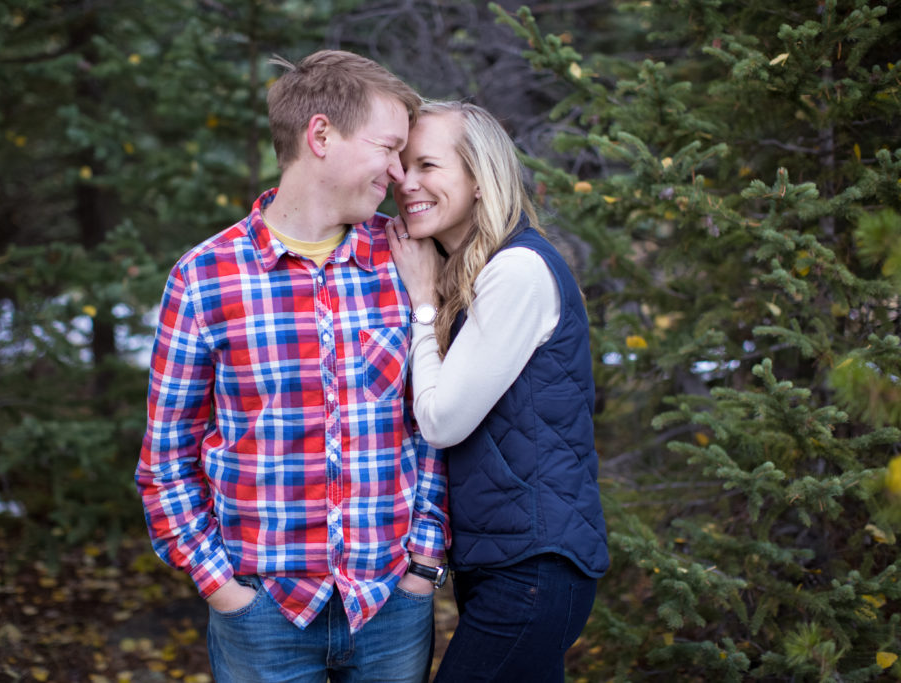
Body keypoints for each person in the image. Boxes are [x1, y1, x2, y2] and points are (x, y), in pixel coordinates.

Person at [135, 50, 450, 683]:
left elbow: (434, 429)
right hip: (262, 615)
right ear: (321, 135)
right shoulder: (205, 278)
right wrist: (221, 587)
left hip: (390, 605)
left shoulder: (409, 263)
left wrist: (423, 566)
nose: (399, 171)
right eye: (388, 148)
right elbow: (166, 459)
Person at [386, 101, 609, 682]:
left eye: (428, 165)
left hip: (532, 569)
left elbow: (440, 420)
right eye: (403, 165)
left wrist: (421, 303)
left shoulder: (518, 271)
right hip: (505, 562)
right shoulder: (480, 270)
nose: (406, 182)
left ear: (480, 178)